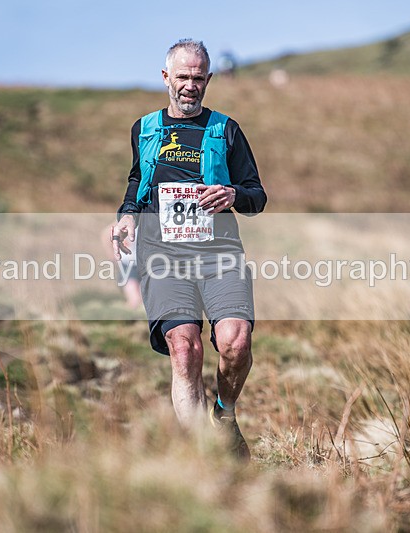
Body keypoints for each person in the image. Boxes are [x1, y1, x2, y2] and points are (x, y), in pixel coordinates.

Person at [111, 39, 266, 460]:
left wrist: (233, 194)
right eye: (183, 77)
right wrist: (126, 215)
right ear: (166, 78)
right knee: (185, 348)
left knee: (235, 343)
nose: (190, 85)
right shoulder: (144, 129)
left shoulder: (226, 130)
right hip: (164, 257)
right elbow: (135, 184)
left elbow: (258, 196)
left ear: (209, 80)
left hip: (219, 254)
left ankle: (224, 414)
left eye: (199, 78)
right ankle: (203, 454)